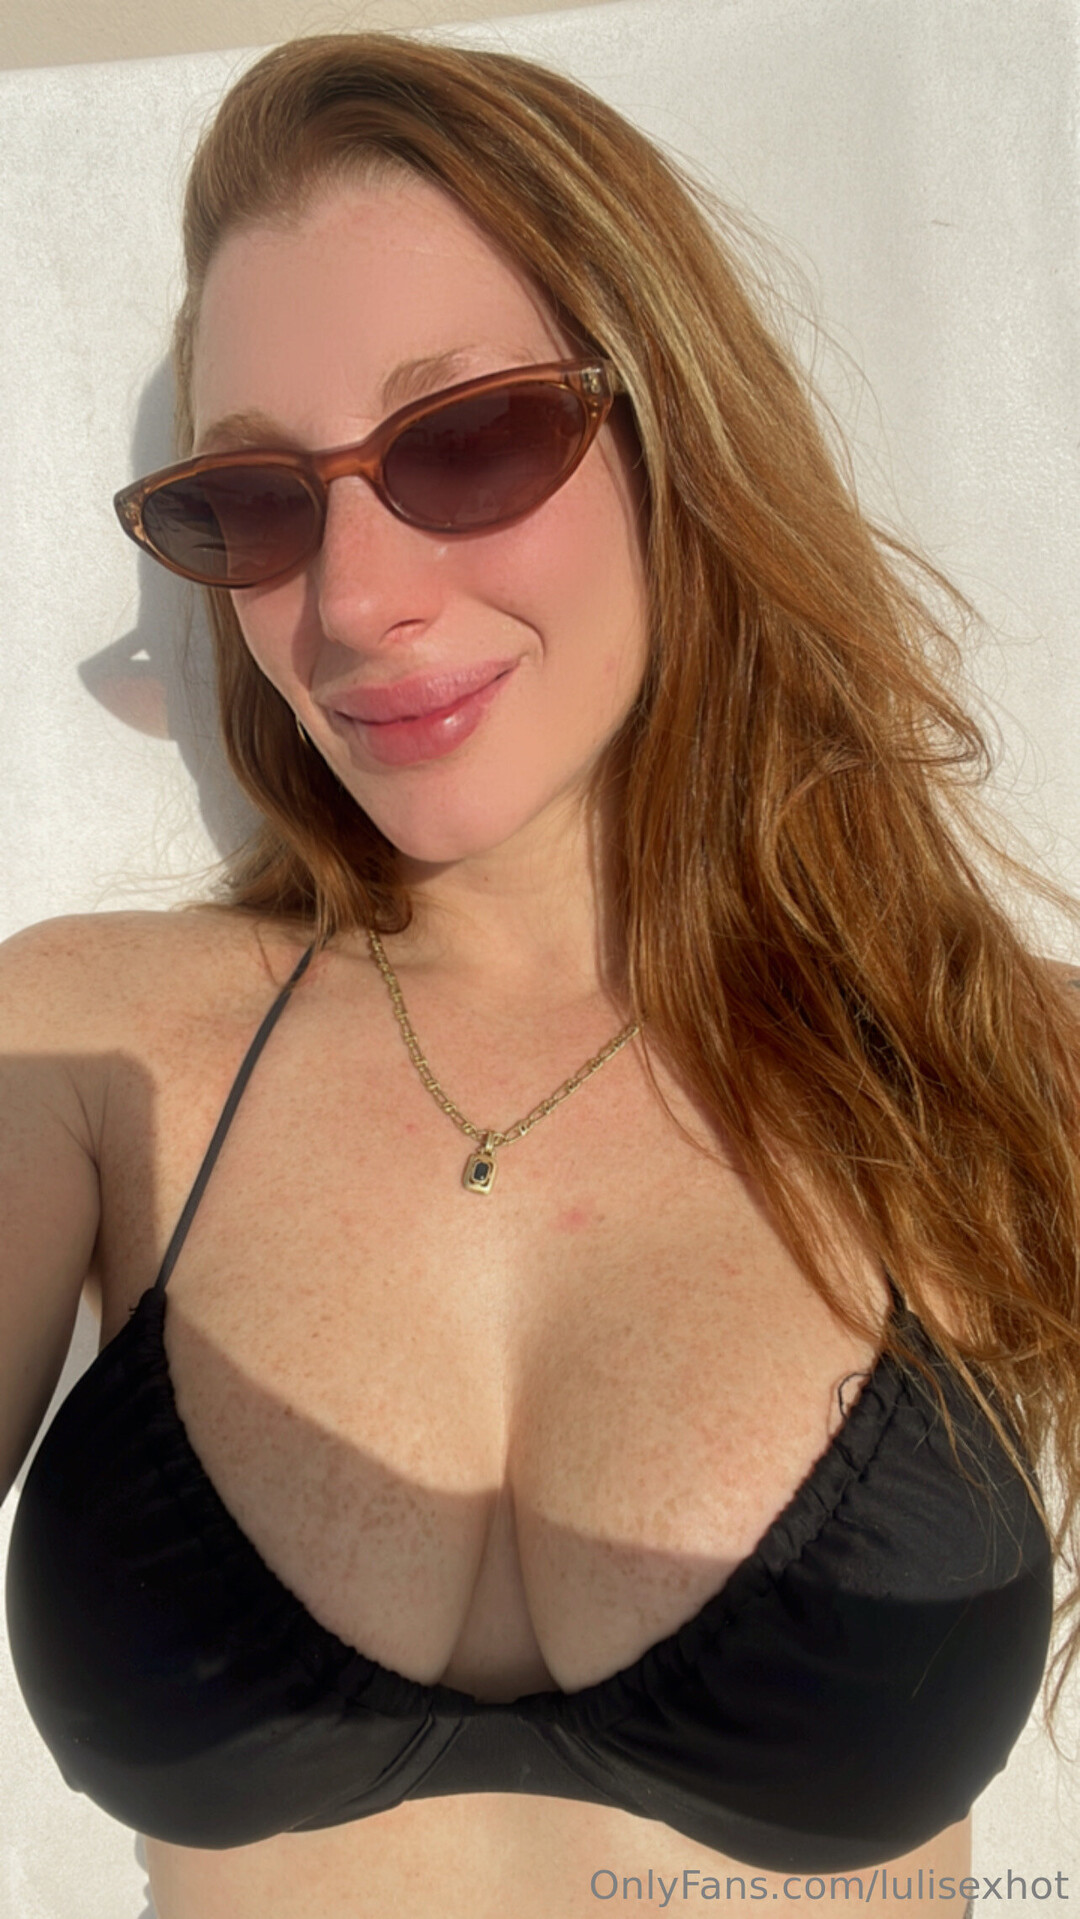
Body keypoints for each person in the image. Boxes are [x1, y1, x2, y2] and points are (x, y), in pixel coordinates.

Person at [2, 29, 1079, 1919]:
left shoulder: (1007, 1063)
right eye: (254, 500)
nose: (351, 602)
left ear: (680, 440)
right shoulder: (84, 1049)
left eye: (467, 439)